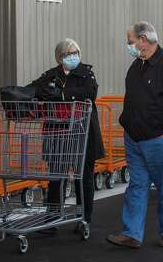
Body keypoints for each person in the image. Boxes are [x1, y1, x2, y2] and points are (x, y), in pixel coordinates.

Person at [107, 22, 163, 249]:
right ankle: (132, 233)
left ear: (143, 39)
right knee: (137, 186)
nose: (128, 45)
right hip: (134, 138)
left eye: (130, 41)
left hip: (159, 140)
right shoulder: (136, 67)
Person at [26, 38, 104, 231]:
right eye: (69, 54)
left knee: (83, 177)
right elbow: (35, 89)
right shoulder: (51, 75)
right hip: (58, 132)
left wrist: (61, 95)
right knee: (56, 176)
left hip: (82, 132)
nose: (73, 56)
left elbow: (89, 93)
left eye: (76, 52)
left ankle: (84, 217)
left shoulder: (86, 74)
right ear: (60, 57)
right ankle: (52, 217)